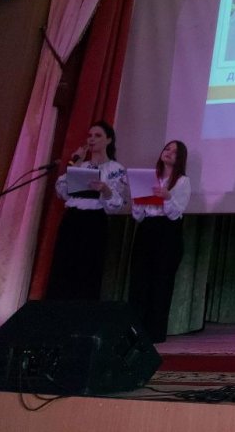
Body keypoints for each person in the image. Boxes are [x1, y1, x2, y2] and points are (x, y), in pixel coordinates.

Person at [47, 121, 128, 300]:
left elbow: (117, 204)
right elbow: (62, 191)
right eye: (90, 136)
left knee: (88, 267)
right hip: (72, 218)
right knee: (64, 264)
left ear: (109, 140)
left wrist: (105, 190)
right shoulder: (81, 165)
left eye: (97, 136)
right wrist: (75, 163)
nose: (92, 139)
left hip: (94, 221)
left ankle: (82, 310)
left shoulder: (116, 169)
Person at [128, 140, 192, 343]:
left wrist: (166, 197)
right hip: (147, 229)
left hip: (168, 233)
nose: (169, 152)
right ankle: (135, 330)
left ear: (180, 158)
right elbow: (138, 216)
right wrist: (138, 199)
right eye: (167, 148)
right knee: (139, 280)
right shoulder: (150, 178)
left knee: (161, 282)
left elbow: (175, 213)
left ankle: (155, 332)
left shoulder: (182, 181)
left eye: (174, 151)